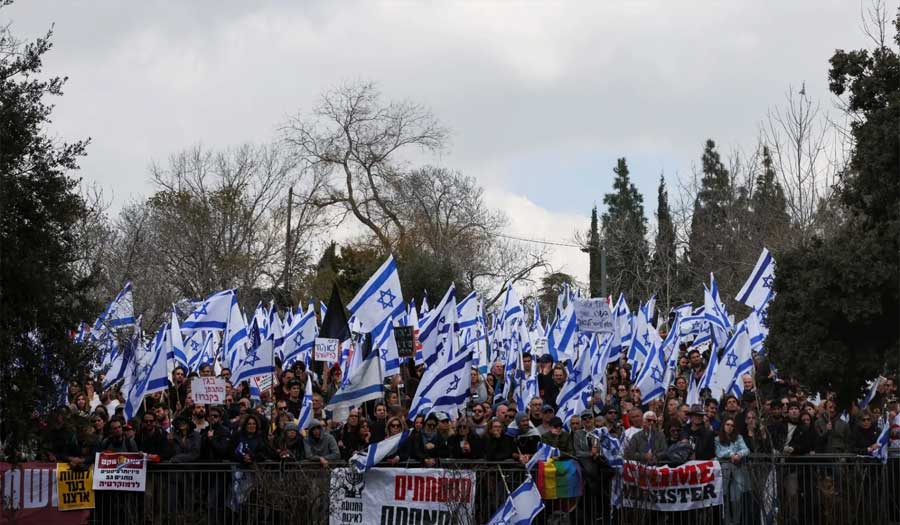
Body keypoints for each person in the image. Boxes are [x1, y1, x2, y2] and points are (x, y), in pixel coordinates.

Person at [715, 417, 750, 525]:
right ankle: (727, 522)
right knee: (724, 497)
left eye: (732, 425)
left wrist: (739, 454)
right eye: (727, 424)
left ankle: (736, 522)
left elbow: (746, 449)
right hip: (724, 470)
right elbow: (718, 453)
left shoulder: (738, 437)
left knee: (736, 498)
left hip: (737, 469)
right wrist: (731, 454)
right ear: (723, 426)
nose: (730, 427)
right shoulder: (717, 439)